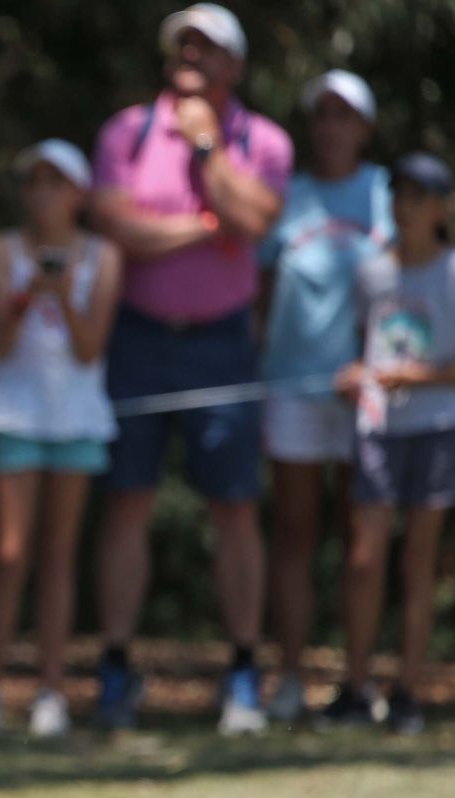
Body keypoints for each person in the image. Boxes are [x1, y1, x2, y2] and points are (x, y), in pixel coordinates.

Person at [89, 4, 291, 735]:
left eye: (207, 48)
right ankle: (116, 667)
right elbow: (118, 226)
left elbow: (256, 221)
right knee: (127, 500)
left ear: (235, 65)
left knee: (235, 505)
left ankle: (242, 670)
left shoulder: (263, 140)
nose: (191, 57)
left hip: (222, 342)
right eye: (183, 45)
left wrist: (208, 149)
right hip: (138, 338)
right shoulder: (128, 131)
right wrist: (209, 226)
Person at [331, 153, 455, 734]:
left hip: (440, 428)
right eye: (399, 194)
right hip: (380, 429)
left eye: (417, 196)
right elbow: (366, 351)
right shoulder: (371, 274)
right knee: (364, 558)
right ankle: (356, 688)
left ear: (440, 208)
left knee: (419, 561)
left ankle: (407, 691)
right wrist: (354, 378)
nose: (405, 206)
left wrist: (419, 377)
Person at [0, 140, 123, 738]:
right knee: (10, 553)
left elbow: (89, 349)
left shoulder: (105, 256)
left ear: (78, 193)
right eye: (34, 181)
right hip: (15, 414)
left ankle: (51, 691)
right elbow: (0, 344)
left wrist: (64, 297)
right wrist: (29, 293)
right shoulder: (1, 250)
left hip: (77, 417)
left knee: (58, 555)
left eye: (56, 182)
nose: (43, 193)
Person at [257, 71, 391, 723]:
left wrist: (377, 362)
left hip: (370, 392)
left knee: (362, 540)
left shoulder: (386, 191)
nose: (332, 127)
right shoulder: (287, 195)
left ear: (365, 127)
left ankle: (358, 683)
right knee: (294, 535)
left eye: (345, 115)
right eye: (322, 114)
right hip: (291, 386)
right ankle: (290, 678)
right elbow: (259, 288)